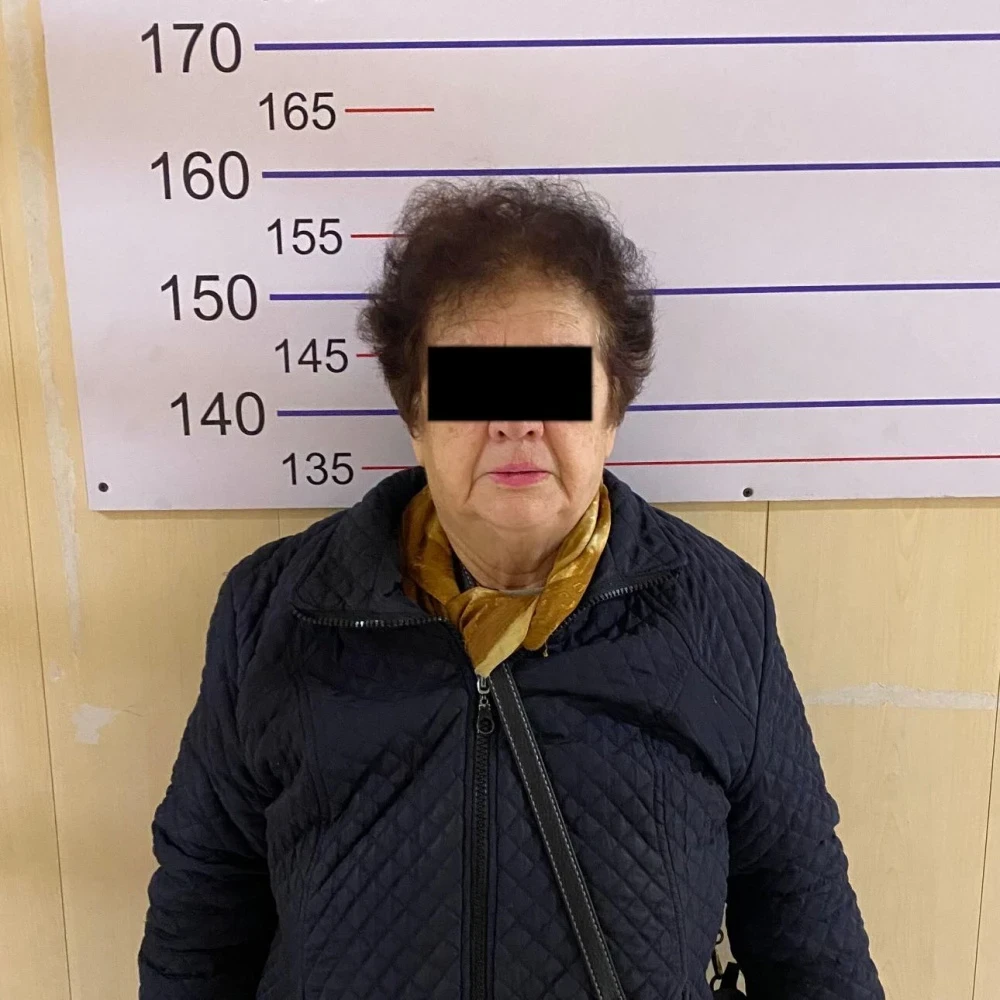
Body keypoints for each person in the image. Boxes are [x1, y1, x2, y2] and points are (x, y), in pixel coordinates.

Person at [138, 179, 884, 999]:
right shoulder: (273, 611)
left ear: (611, 411)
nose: (515, 422)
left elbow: (804, 920)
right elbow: (201, 914)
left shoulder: (720, 611)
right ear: (414, 415)